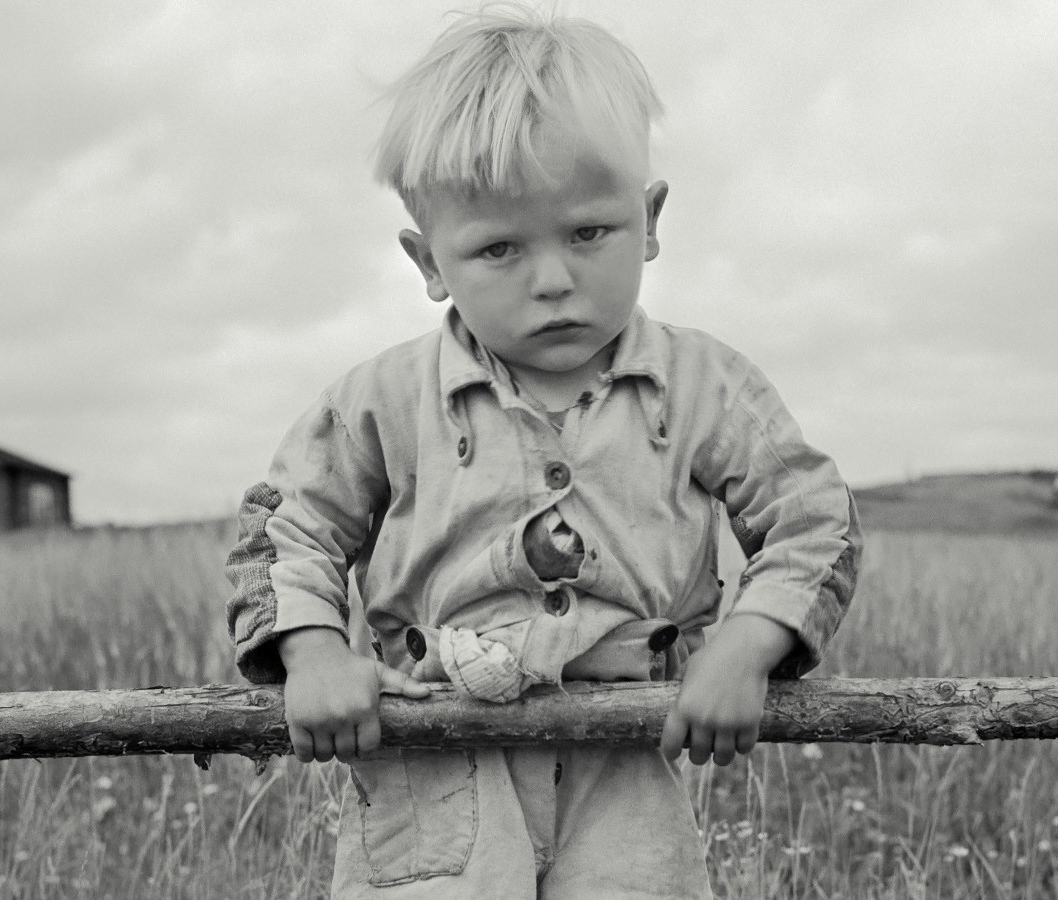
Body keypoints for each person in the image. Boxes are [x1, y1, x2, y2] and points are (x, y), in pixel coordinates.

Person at [225, 6, 862, 897]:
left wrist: (751, 642)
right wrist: (314, 650)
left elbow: (814, 517)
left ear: (648, 218)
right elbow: (285, 529)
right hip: (431, 762)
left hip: (627, 755)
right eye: (498, 248)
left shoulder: (707, 387)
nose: (554, 278)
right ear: (428, 263)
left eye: (588, 232)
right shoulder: (380, 402)